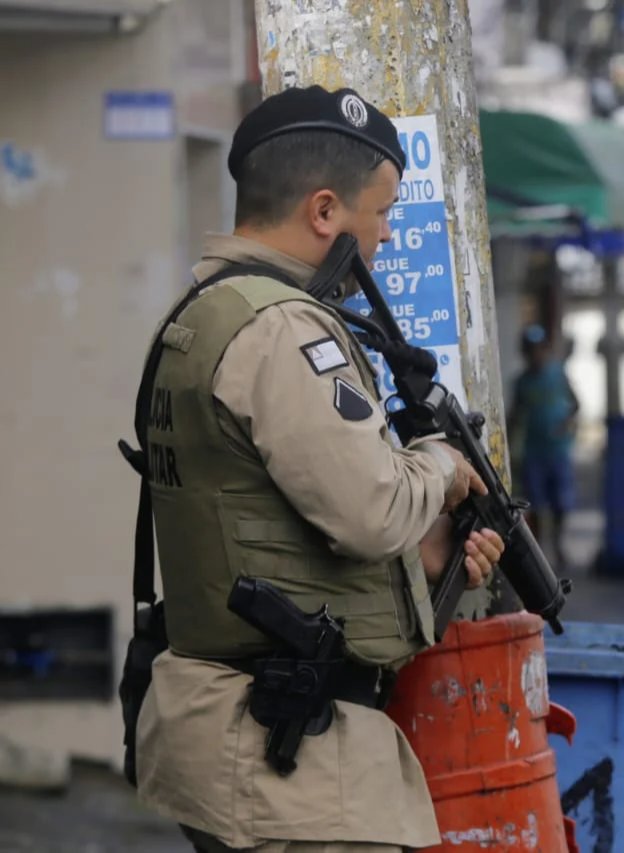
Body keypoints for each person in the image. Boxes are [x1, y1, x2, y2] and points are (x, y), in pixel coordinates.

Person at [131, 85, 508, 852]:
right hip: (286, 762)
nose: (389, 238)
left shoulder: (202, 313)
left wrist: (426, 559)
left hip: (247, 733)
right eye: (383, 212)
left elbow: (265, 527)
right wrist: (437, 463)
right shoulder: (282, 328)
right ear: (326, 211)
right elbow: (370, 509)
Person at [509, 324, 580, 570]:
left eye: (539, 349)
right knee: (536, 504)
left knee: (561, 502)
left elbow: (576, 404)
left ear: (546, 350)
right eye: (530, 351)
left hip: (559, 451)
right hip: (533, 452)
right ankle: (538, 551)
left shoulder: (558, 375)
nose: (535, 355)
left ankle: (559, 545)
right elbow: (515, 416)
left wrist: (568, 425)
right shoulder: (522, 383)